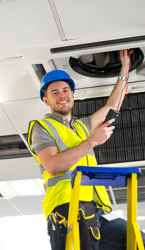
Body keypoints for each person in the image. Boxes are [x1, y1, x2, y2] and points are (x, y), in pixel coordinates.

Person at [27, 50, 145, 250]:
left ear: (72, 95)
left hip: (95, 210)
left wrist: (125, 67)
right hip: (66, 209)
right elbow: (53, 166)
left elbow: (113, 106)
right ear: (46, 100)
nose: (62, 95)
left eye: (65, 90)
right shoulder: (41, 127)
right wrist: (92, 142)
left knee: (137, 240)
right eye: (54, 92)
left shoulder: (82, 126)